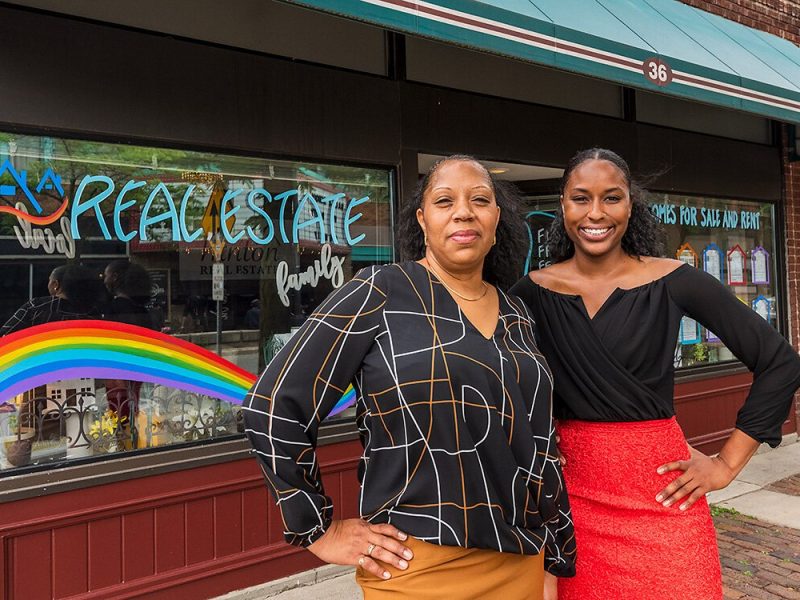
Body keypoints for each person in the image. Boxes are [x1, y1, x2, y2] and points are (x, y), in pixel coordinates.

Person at [244, 155, 575, 600]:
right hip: (416, 568)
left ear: (497, 219)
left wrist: (553, 558)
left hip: (521, 563)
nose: (464, 211)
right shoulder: (380, 292)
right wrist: (318, 530)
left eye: (480, 199)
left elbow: (541, 446)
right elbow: (273, 406)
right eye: (444, 200)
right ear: (422, 219)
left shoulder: (517, 313)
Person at [510, 148, 800, 600]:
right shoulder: (530, 292)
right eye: (580, 198)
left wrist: (726, 465)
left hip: (664, 496)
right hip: (573, 503)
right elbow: (500, 382)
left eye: (612, 198)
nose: (596, 213)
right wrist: (535, 441)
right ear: (562, 205)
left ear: (631, 205)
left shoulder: (675, 279)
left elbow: (780, 361)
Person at [1, 264, 100, 336]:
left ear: (55, 285)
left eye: (49, 281)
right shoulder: (93, 312)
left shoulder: (36, 307)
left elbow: (5, 335)